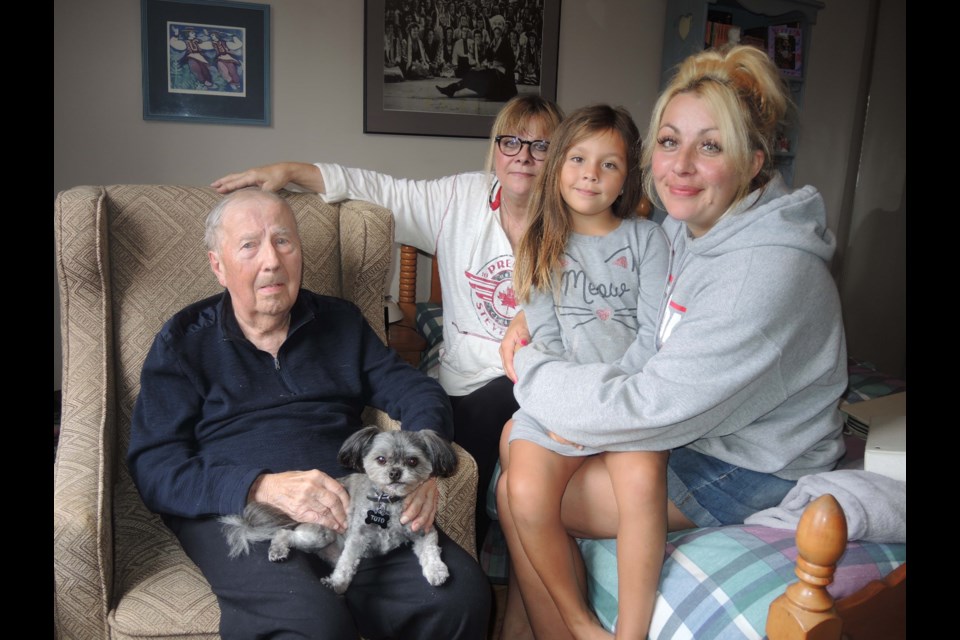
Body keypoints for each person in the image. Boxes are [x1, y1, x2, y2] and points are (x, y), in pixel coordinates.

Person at [496, 44, 848, 639]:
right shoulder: (688, 225)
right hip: (698, 425)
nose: (680, 165)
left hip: (748, 463)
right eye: (669, 141)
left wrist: (531, 369)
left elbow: (647, 403)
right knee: (513, 451)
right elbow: (644, 327)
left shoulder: (762, 275)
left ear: (753, 160)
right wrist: (529, 323)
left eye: (710, 146)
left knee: (518, 494)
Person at [127, 189, 490, 640]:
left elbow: (413, 388)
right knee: (313, 623)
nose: (272, 261)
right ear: (217, 266)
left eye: (284, 241)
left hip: (351, 504)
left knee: (458, 596)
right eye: (249, 246)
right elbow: (154, 464)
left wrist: (426, 460)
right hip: (243, 512)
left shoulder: (338, 322)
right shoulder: (184, 341)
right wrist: (261, 486)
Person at [211, 95, 565, 553]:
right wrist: (294, 171)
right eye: (511, 141)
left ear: (559, 155)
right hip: (474, 384)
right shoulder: (459, 199)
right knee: (483, 426)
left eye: (541, 146)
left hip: (545, 380)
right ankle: (472, 555)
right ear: (495, 147)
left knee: (538, 414)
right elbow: (380, 189)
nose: (523, 155)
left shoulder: (578, 219)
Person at [501, 104, 670, 640]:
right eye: (577, 158)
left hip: (626, 401)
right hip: (560, 403)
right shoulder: (538, 242)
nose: (590, 174)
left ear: (627, 178)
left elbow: (652, 338)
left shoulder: (648, 240)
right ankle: (578, 622)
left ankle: (632, 634)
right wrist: (567, 411)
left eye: (609, 164)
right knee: (523, 491)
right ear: (557, 167)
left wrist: (606, 408)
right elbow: (544, 341)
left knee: (642, 483)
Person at [436, 23, 518, 100]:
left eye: (498, 32)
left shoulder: (505, 43)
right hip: (493, 71)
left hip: (502, 77)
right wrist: (484, 65)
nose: (497, 33)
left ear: (501, 32)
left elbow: (511, 62)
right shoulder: (492, 43)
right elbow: (488, 58)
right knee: (472, 73)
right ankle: (451, 89)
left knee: (479, 77)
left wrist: (496, 64)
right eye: (495, 32)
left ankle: (451, 89)